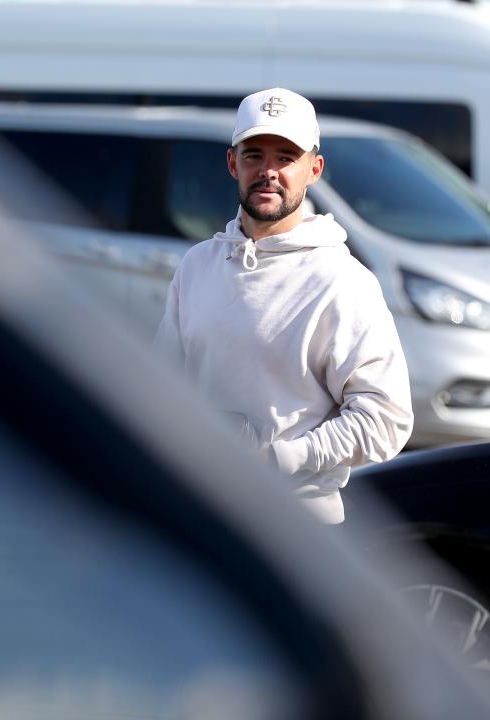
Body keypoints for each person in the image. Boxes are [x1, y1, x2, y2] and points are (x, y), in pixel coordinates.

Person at [155, 87, 413, 524]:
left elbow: (385, 420)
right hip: (199, 516)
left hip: (297, 533)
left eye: (286, 157)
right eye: (254, 155)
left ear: (314, 169)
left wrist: (275, 460)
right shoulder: (198, 265)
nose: (269, 171)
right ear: (232, 163)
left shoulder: (342, 280)